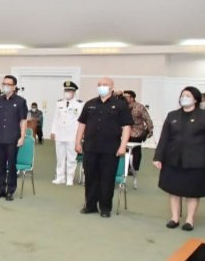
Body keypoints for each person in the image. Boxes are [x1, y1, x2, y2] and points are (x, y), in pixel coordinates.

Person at [75, 77, 133, 218]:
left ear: (112, 87)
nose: (102, 87)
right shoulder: (89, 104)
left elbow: (126, 127)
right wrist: (77, 142)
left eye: (105, 84)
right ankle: (90, 205)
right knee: (90, 177)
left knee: (107, 178)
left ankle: (105, 207)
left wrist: (123, 146)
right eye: (99, 84)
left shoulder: (120, 105)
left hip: (110, 148)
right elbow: (82, 124)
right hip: (90, 147)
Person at [153, 86, 205, 231]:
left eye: (188, 95)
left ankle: (189, 220)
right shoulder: (172, 115)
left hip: (196, 160)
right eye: (182, 95)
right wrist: (158, 157)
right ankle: (174, 218)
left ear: (196, 99)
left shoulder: (203, 116)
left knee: (192, 191)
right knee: (173, 189)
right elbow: (164, 138)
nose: (184, 98)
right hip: (173, 159)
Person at [0, 75, 28, 201]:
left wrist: (22, 137)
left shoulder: (21, 101)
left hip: (13, 139)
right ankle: (0, 189)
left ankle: (10, 190)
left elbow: (23, 121)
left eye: (8, 84)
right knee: (0, 165)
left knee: (11, 166)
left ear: (14, 86)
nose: (5, 86)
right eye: (3, 83)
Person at [50, 81, 84, 186]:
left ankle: (70, 178)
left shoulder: (79, 104)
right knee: (60, 158)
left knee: (71, 158)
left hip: (72, 135)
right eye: (66, 90)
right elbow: (56, 118)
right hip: (60, 134)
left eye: (70, 90)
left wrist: (80, 136)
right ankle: (60, 177)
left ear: (74, 92)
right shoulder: (59, 103)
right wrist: (53, 131)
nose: (67, 92)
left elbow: (81, 121)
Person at [123, 90, 154, 173]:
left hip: (137, 132)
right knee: (125, 150)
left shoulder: (139, 107)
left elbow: (147, 119)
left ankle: (134, 168)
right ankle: (125, 167)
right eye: (124, 96)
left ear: (132, 98)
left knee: (135, 150)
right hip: (125, 132)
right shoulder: (123, 106)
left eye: (126, 97)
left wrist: (150, 130)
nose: (124, 98)